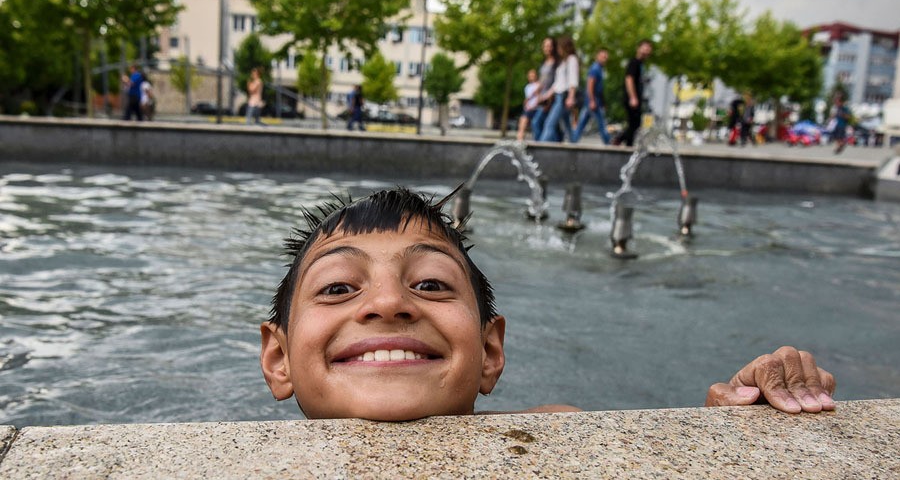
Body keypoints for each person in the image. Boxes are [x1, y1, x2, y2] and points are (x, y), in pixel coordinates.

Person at [259, 187, 836, 421]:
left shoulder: (565, 437)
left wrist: (726, 426)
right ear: (278, 358)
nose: (388, 303)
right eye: (338, 287)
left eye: (431, 284)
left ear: (489, 350)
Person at [538, 35, 579, 142]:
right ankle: (574, 148)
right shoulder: (563, 62)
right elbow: (557, 83)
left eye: (559, 47)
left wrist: (571, 97)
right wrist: (546, 95)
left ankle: (540, 149)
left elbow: (573, 80)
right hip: (559, 96)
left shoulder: (572, 59)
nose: (558, 50)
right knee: (567, 127)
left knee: (549, 123)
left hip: (564, 97)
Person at [572, 49, 611, 144]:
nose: (604, 59)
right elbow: (590, 85)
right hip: (593, 101)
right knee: (601, 123)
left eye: (606, 57)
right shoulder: (595, 68)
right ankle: (608, 142)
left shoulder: (600, 69)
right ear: (597, 57)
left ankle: (573, 140)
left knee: (582, 123)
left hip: (593, 101)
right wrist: (592, 100)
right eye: (602, 56)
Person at [618, 39, 653, 147]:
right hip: (632, 98)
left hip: (636, 98)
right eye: (645, 48)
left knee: (635, 123)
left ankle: (625, 142)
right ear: (639, 48)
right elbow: (629, 79)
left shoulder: (641, 64)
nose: (647, 51)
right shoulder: (634, 62)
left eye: (649, 49)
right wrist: (633, 97)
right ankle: (621, 140)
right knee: (634, 123)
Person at [530, 37, 558, 140]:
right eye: (545, 46)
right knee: (547, 125)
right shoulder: (544, 63)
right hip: (542, 98)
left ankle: (540, 148)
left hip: (551, 99)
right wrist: (535, 96)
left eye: (549, 46)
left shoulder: (556, 63)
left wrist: (549, 99)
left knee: (537, 122)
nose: (547, 48)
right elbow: (541, 82)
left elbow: (556, 82)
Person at [516, 69, 540, 141]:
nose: (531, 77)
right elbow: (527, 98)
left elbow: (539, 97)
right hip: (528, 108)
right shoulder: (527, 87)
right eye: (530, 76)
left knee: (535, 124)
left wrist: (534, 105)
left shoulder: (539, 85)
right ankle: (519, 140)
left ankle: (537, 140)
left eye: (533, 75)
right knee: (522, 123)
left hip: (536, 108)